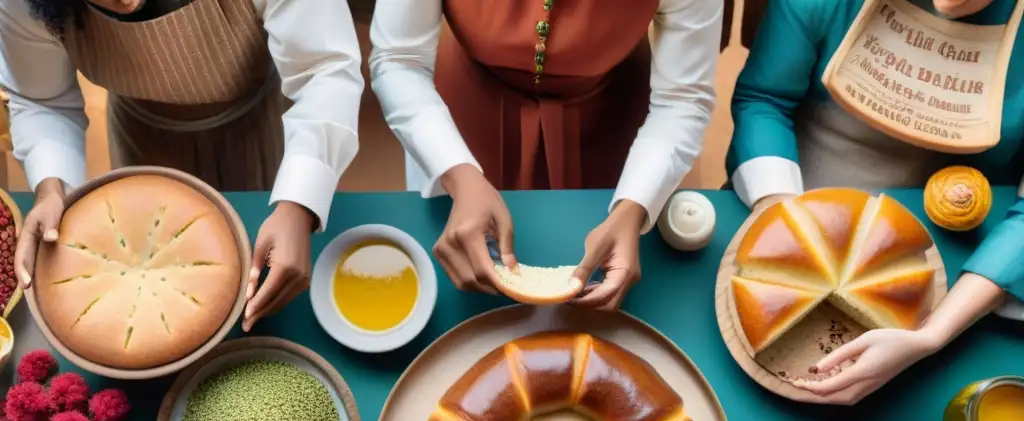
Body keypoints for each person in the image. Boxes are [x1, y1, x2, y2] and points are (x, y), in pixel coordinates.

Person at [1, 0, 363, 332]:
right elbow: (41, 100)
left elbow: (325, 70)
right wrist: (51, 188)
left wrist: (298, 205)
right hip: (142, 139)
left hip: (257, 128)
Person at [727, 0, 1024, 404]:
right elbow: (764, 100)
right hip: (791, 192)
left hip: (967, 261)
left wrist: (931, 334)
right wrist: (781, 214)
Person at [369, 0, 722, 310]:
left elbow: (683, 99)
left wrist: (635, 206)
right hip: (459, 122)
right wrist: (458, 174)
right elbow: (399, 60)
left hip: (614, 127)